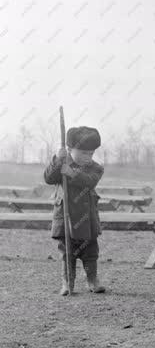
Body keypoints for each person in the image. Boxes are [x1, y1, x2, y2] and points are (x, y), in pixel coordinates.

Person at [44, 126, 105, 296]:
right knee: (67, 254)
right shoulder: (61, 164)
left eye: (91, 153)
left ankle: (92, 280)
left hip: (87, 220)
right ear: (70, 150)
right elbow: (48, 178)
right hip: (66, 220)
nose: (88, 157)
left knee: (91, 252)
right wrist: (58, 159)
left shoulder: (96, 168)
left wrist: (71, 173)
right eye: (84, 153)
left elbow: (90, 182)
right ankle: (67, 283)